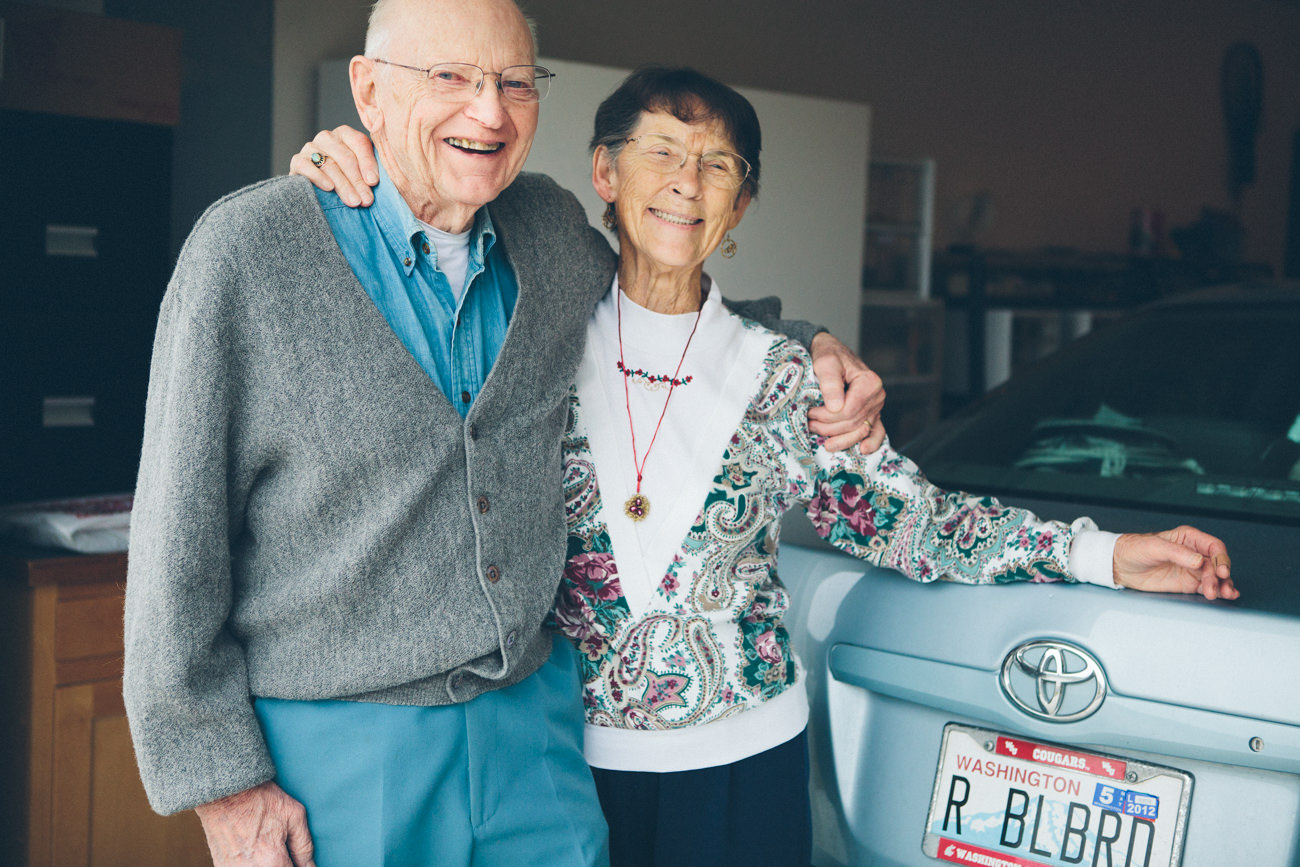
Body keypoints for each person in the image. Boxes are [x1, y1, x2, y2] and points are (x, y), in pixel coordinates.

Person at [300, 65, 1236, 867]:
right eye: (662, 151)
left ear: (740, 205)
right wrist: (342, 168)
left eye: (718, 166)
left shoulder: (787, 374)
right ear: (605, 173)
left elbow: (911, 522)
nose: (687, 182)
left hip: (745, 771)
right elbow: (426, 249)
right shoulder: (525, 338)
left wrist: (1104, 554)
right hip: (555, 766)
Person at [123, 2, 884, 866]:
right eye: (450, 77)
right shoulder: (251, 250)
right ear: (368, 91)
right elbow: (173, 549)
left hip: (535, 737)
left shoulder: (550, 234)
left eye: (515, 82)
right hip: (338, 747)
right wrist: (224, 787)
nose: (489, 111)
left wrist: (813, 343)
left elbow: (672, 312)